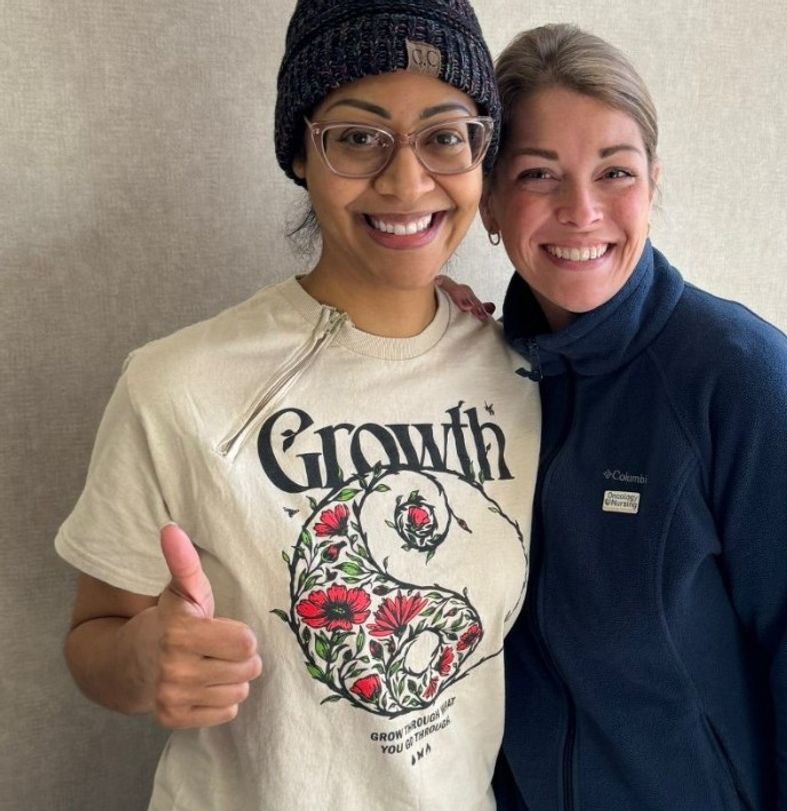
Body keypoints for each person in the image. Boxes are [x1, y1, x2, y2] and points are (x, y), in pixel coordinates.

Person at [55, 2, 541, 809]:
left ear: (482, 151)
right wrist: (141, 663)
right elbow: (92, 638)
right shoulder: (177, 383)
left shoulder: (523, 377)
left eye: (445, 133)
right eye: (358, 136)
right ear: (298, 154)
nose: (407, 180)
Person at [446, 22, 787, 810]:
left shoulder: (742, 380)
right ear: (491, 201)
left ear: (652, 184)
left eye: (614, 171)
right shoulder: (482, 375)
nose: (582, 211)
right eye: (541, 174)